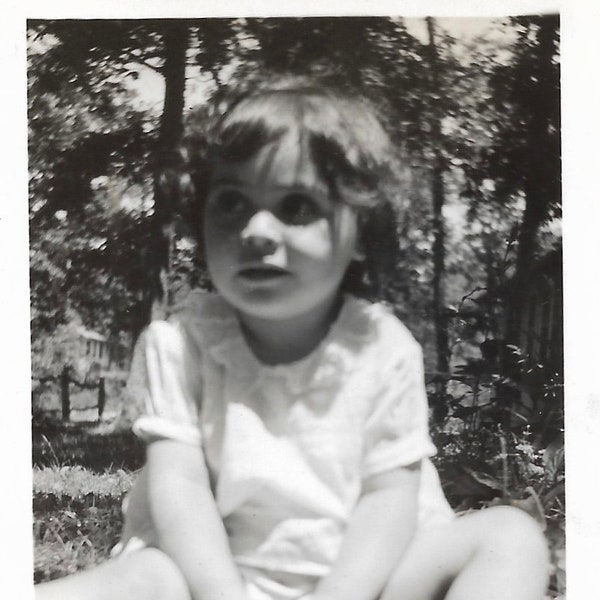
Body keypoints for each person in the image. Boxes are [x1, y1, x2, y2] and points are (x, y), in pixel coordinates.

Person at [36, 77, 549, 600]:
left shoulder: (382, 348)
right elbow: (180, 488)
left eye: (297, 206)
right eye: (231, 203)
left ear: (360, 235)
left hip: (364, 576)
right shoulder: (180, 345)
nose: (257, 230)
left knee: (511, 538)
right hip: (210, 575)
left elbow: (388, 498)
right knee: (145, 577)